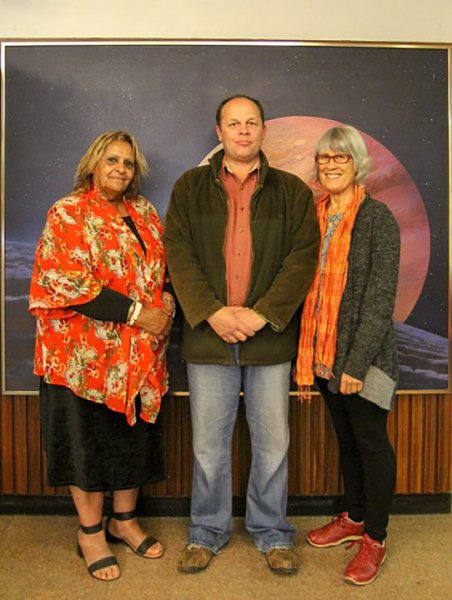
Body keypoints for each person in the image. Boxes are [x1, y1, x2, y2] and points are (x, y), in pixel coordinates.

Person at [164, 95, 320, 575]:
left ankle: (272, 533)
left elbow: (302, 258)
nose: (243, 131)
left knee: (273, 445)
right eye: (234, 123)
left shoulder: (292, 192)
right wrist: (211, 312)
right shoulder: (189, 187)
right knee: (209, 446)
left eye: (251, 123)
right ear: (220, 132)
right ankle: (206, 533)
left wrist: (261, 315)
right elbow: (178, 253)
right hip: (208, 339)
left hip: (268, 339)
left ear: (264, 130)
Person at [29, 130, 175, 581]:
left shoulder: (145, 213)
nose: (120, 169)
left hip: (138, 358)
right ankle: (90, 532)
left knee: (130, 439)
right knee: (86, 443)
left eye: (128, 163)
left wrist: (166, 301)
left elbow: (163, 270)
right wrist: (138, 312)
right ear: (94, 163)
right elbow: (65, 282)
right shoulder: (68, 211)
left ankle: (124, 520)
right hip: (81, 359)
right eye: (112, 160)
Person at [295, 125, 400, 586]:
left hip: (365, 360)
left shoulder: (378, 219)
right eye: (324, 158)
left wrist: (355, 366)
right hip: (321, 355)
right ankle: (354, 517)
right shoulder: (312, 215)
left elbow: (380, 300)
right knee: (348, 439)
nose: (332, 165)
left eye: (341, 157)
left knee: (371, 444)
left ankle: (375, 537)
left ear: (358, 163)